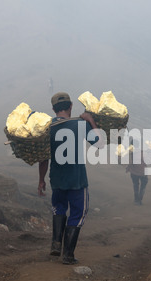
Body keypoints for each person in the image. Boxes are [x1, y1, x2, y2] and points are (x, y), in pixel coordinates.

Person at [38, 92, 102, 265]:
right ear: (71, 106)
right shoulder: (80, 124)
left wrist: (41, 180)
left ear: (53, 109)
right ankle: (68, 255)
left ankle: (56, 244)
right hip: (77, 180)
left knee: (58, 209)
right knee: (78, 213)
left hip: (57, 179)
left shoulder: (46, 128)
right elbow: (99, 143)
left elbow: (43, 158)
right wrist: (90, 120)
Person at [125, 139, 148, 205]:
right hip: (142, 173)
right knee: (143, 186)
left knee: (135, 186)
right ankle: (139, 200)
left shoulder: (130, 153)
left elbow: (129, 162)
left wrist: (128, 168)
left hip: (133, 172)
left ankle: (136, 200)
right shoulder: (142, 153)